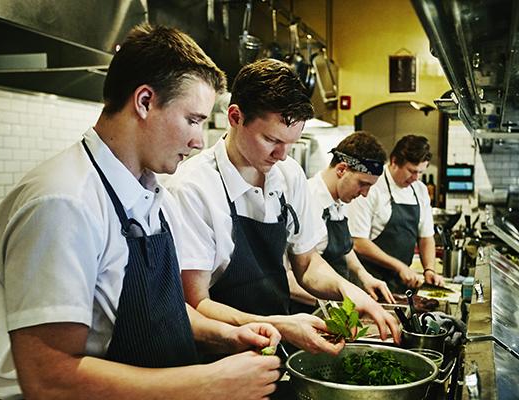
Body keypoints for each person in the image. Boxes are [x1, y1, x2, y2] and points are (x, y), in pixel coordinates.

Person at [0, 24, 282, 400]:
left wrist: (228, 335)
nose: (197, 140)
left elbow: (158, 312)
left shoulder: (147, 191)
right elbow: (49, 377)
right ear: (144, 101)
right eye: (193, 120)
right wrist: (208, 385)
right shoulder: (62, 202)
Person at [166, 59, 400, 355]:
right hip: (220, 356)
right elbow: (196, 304)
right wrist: (277, 325)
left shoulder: (289, 175)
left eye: (291, 143)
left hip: (276, 344)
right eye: (271, 139)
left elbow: (306, 263)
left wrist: (347, 290)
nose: (281, 155)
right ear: (236, 118)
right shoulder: (194, 188)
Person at [288, 132, 396, 313]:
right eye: (363, 184)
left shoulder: (339, 200)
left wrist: (364, 276)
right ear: (341, 169)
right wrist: (340, 301)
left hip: (336, 305)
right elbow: (288, 277)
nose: (365, 194)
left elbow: (345, 249)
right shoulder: (305, 201)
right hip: (307, 311)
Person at [348, 135, 445, 293]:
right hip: (369, 280)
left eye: (420, 172)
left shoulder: (419, 190)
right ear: (394, 161)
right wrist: (399, 266)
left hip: (402, 282)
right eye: (412, 171)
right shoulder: (371, 186)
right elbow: (358, 242)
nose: (415, 178)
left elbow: (426, 237)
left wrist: (429, 270)